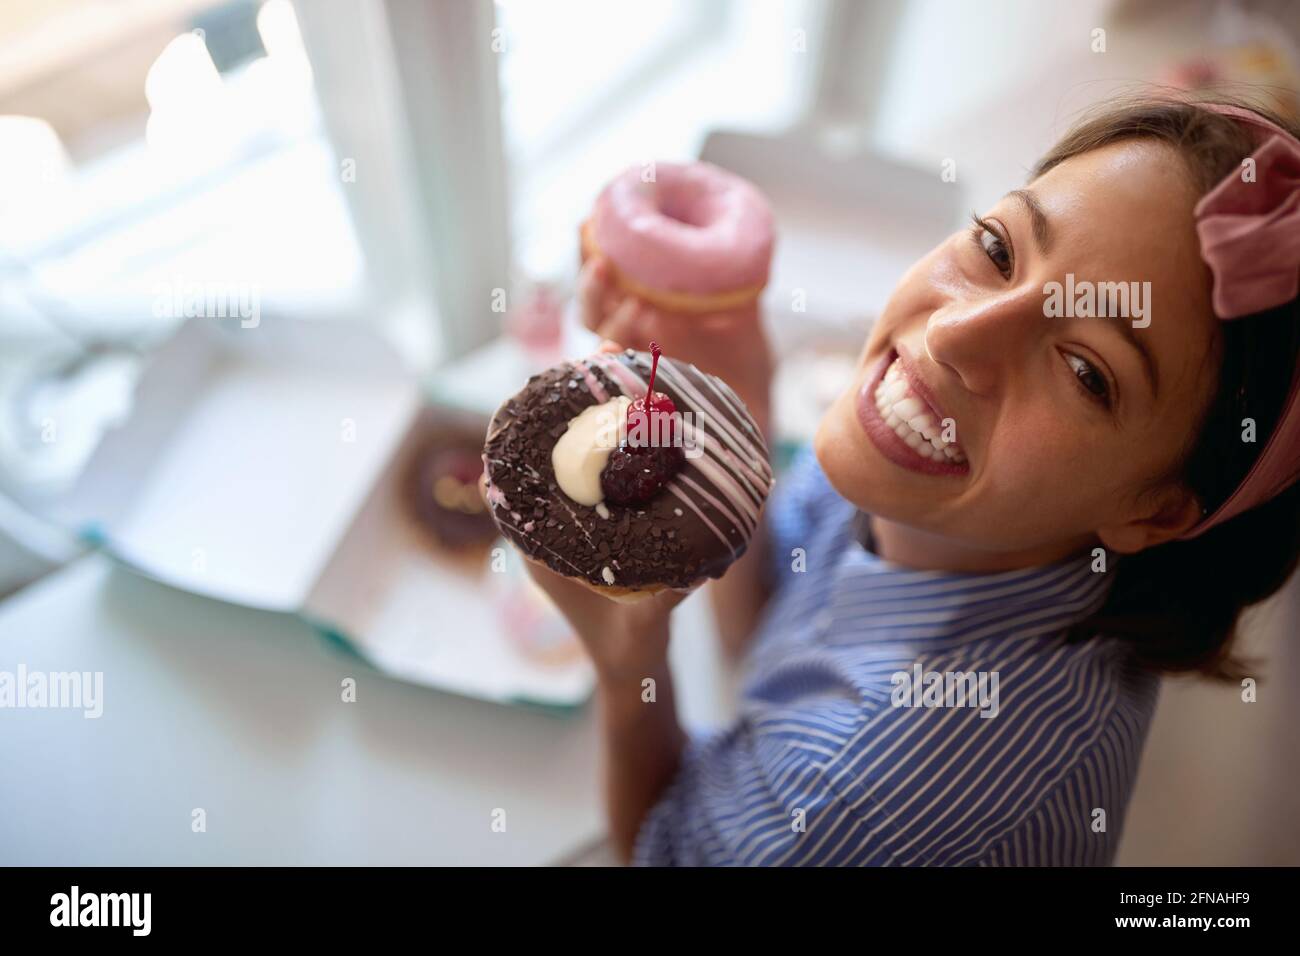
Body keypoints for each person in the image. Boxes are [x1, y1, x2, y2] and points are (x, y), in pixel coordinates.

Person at [528, 95, 1300, 866]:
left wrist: (630, 674)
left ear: (1158, 511)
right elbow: (762, 628)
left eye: (1084, 370)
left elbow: (661, 850)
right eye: (998, 251)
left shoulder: (853, 809)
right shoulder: (933, 483)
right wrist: (746, 408)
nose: (952, 333)